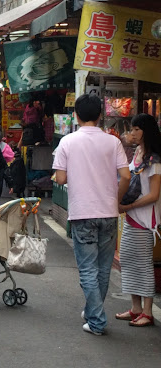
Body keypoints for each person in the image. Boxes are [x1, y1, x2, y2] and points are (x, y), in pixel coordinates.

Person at [53, 94, 131, 336]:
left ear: (75, 115)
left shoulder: (67, 141)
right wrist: (116, 200)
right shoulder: (113, 142)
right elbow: (126, 176)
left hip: (82, 213)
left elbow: (61, 178)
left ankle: (96, 320)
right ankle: (91, 311)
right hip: (108, 212)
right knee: (103, 268)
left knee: (88, 269)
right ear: (100, 115)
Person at [116, 113, 161, 327]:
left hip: (144, 218)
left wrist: (128, 206)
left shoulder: (155, 159)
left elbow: (153, 195)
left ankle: (147, 311)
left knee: (142, 264)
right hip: (131, 216)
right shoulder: (138, 153)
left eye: (136, 129)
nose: (132, 133)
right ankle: (135, 308)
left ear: (146, 131)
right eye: (131, 129)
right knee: (128, 260)